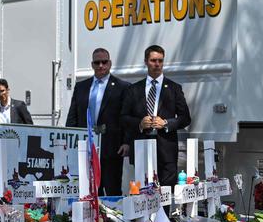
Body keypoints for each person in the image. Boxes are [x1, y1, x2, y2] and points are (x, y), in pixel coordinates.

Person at [121, 44, 191, 186]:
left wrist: (166, 123)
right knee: (143, 195)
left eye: (160, 60)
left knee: (166, 194)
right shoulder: (133, 89)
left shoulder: (174, 88)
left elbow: (186, 118)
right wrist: (140, 123)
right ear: (146, 61)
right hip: (141, 148)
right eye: (153, 60)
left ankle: (165, 210)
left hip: (166, 150)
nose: (157, 64)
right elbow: (123, 118)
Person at [66, 47, 129, 195]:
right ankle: (94, 218)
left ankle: (112, 218)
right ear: (92, 64)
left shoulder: (122, 87)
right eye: (97, 62)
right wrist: (70, 139)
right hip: (86, 147)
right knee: (90, 189)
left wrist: (126, 142)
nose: (101, 65)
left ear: (110, 63)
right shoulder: (81, 86)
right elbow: (72, 116)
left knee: (113, 189)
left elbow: (125, 118)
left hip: (112, 147)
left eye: (104, 62)